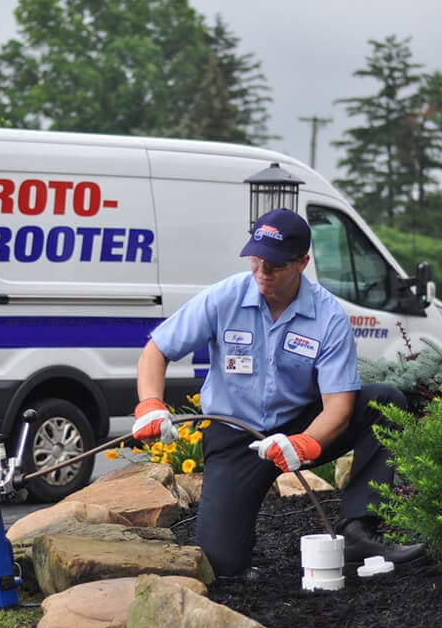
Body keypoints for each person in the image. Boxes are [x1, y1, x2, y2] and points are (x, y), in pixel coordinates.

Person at [132, 207, 424, 579]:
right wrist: (150, 405)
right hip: (236, 436)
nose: (262, 271)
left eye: (275, 264)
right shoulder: (225, 298)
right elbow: (156, 351)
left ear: (302, 263)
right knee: (221, 565)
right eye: (256, 259)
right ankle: (235, 543)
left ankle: (358, 532)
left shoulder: (328, 316)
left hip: (301, 424)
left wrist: (304, 443)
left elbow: (339, 407)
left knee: (385, 402)